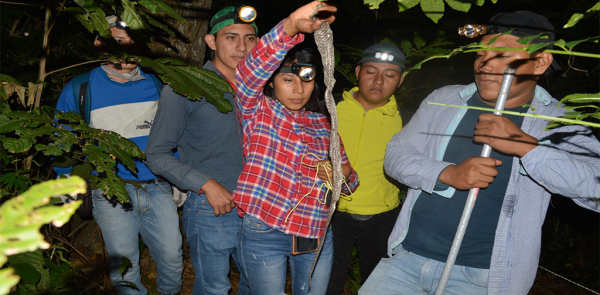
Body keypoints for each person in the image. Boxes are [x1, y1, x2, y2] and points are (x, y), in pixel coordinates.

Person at [360, 11, 600, 295]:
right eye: (481, 52)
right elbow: (396, 154)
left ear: (540, 62)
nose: (484, 63)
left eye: (501, 54)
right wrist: (447, 173)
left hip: (482, 279)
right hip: (405, 260)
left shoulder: (560, 121)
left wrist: (527, 147)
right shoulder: (444, 99)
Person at [234, 2, 359, 294]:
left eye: (305, 81)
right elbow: (248, 73)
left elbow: (350, 180)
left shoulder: (325, 124)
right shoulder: (258, 110)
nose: (297, 89)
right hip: (264, 228)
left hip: (316, 231)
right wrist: (290, 26)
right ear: (272, 84)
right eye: (287, 80)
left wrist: (342, 173)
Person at [55, 15, 183, 295]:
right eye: (116, 42)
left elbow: (175, 131)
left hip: (158, 185)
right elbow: (63, 140)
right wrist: (65, 184)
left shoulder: (160, 83)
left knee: (173, 258)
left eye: (133, 42)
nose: (127, 50)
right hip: (109, 189)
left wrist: (179, 177)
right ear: (99, 43)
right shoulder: (80, 88)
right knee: (124, 267)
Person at [144, 5, 258, 295]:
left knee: (256, 285)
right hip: (212, 207)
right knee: (213, 288)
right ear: (211, 42)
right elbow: (156, 154)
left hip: (260, 205)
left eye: (250, 38)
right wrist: (205, 184)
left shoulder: (263, 89)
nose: (241, 47)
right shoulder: (184, 88)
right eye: (231, 37)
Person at [326, 43, 411, 295]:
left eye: (389, 74)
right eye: (371, 71)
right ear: (357, 72)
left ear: (400, 80)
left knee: (377, 286)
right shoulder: (328, 110)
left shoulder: (408, 120)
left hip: (383, 219)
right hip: (331, 214)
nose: (378, 81)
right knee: (326, 284)